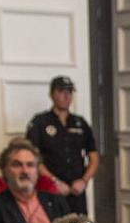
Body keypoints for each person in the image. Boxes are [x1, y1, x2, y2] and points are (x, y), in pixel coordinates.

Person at [26, 76, 99, 215]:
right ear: (52, 94)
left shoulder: (80, 122)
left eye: (70, 92)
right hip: (50, 189)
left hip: (77, 190)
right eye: (61, 91)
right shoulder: (40, 122)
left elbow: (94, 157)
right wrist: (54, 181)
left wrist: (84, 180)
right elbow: (33, 158)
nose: (66, 96)